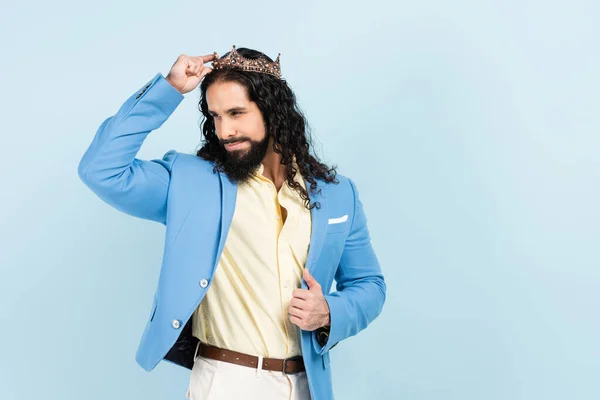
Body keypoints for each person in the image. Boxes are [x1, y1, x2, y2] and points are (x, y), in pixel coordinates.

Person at [77, 46, 386, 400]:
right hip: (226, 382)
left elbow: (369, 285)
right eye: (216, 116)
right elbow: (100, 169)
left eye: (237, 113)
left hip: (308, 385)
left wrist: (330, 311)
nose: (225, 130)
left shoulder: (337, 193)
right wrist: (170, 88)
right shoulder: (191, 182)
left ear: (272, 110)